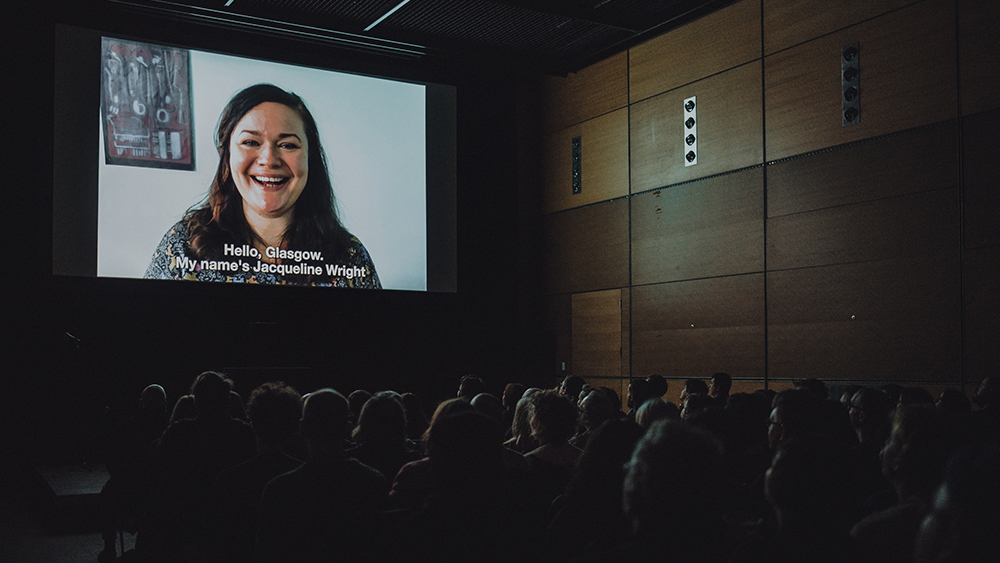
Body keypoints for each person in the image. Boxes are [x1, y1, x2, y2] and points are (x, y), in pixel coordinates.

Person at [144, 83, 381, 287]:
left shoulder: (349, 257)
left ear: (310, 159)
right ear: (227, 156)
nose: (268, 159)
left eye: (288, 145)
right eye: (250, 142)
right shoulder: (183, 245)